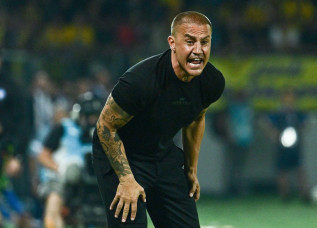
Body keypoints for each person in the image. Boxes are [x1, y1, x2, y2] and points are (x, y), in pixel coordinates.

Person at [92, 11, 225, 227]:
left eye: (205, 42)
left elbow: (195, 119)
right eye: (190, 42)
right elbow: (105, 126)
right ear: (172, 43)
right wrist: (126, 180)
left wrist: (191, 170)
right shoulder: (141, 81)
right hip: (124, 155)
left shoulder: (212, 82)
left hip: (162, 154)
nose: (198, 51)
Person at [37, 93, 102, 228]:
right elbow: (43, 155)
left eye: (95, 116)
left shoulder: (103, 133)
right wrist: (59, 168)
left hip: (92, 180)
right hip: (61, 177)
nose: (91, 120)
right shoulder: (64, 127)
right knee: (54, 198)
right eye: (88, 116)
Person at [265, 89, 309, 202]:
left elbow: (305, 124)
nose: (289, 99)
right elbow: (270, 125)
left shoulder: (297, 112)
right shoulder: (278, 112)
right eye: (287, 97)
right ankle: (285, 195)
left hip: (295, 146)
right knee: (282, 170)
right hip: (281, 145)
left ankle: (304, 194)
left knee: (299, 169)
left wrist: (299, 131)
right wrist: (275, 136)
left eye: (291, 97)